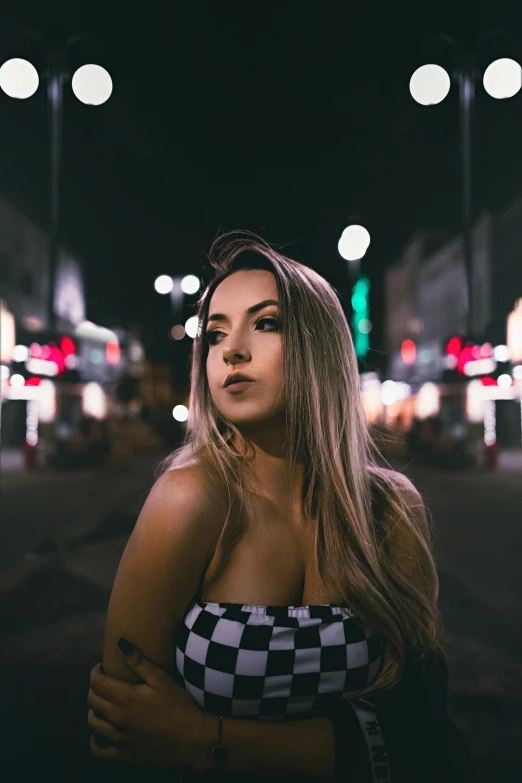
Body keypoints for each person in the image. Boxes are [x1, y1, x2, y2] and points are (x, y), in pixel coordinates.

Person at [87, 232, 475, 781]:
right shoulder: (191, 497)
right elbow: (119, 732)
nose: (231, 349)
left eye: (266, 322)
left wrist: (204, 739)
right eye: (215, 333)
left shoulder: (391, 509)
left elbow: (419, 726)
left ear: (320, 348)